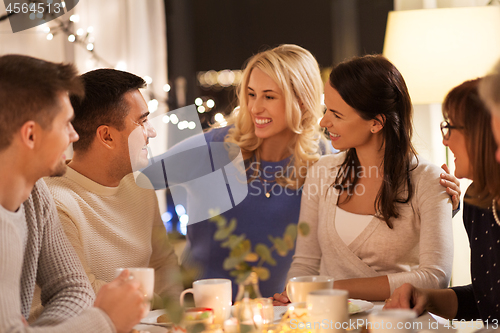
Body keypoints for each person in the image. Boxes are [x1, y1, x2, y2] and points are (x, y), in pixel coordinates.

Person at [274, 55, 454, 303]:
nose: (324, 121)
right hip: (327, 322)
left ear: (376, 123)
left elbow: (435, 277)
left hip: (397, 324)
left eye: (336, 114)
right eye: (326, 109)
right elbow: (305, 264)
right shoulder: (322, 172)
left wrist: (330, 288)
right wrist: (294, 293)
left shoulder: (429, 180)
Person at [0, 54, 145, 332]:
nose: (74, 135)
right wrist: (104, 321)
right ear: (30, 135)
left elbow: (75, 289)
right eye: (65, 123)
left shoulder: (35, 194)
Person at [30, 68, 183, 317]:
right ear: (107, 136)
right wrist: (155, 303)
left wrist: (174, 316)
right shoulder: (55, 201)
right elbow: (84, 292)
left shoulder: (140, 186)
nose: (151, 132)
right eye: (142, 121)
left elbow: (163, 263)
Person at [181, 44, 327, 299]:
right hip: (203, 311)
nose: (254, 107)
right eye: (251, 94)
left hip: (283, 315)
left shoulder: (323, 159)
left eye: (269, 96)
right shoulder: (214, 146)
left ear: (302, 101)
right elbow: (136, 177)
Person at [385, 78, 500, 320]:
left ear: (483, 131)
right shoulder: (477, 202)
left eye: (450, 127)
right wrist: (427, 297)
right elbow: (486, 300)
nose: (445, 140)